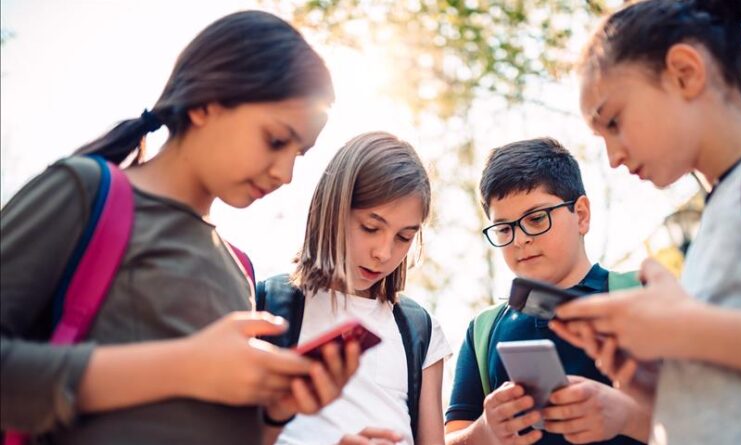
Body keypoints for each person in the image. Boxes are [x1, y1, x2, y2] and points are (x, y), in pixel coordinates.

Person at [1, 11, 359, 445]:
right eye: (275, 140)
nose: (286, 173)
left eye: (299, 154)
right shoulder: (85, 191)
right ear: (207, 103)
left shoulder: (239, 268)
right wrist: (185, 367)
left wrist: (274, 414)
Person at [550, 1, 741, 444]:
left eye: (614, 121)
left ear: (685, 72)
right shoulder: (714, 222)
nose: (613, 157)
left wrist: (683, 330)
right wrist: (661, 387)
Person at [445, 138, 649, 445]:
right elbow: (451, 438)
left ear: (581, 215)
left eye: (536, 219)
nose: (519, 240)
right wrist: (486, 431)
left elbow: (713, 418)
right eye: (504, 228)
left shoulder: (642, 297)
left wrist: (626, 415)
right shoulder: (483, 331)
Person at [258, 132, 451, 445]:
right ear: (332, 209)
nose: (383, 253)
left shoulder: (420, 330)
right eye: (371, 228)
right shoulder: (265, 305)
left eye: (404, 237)